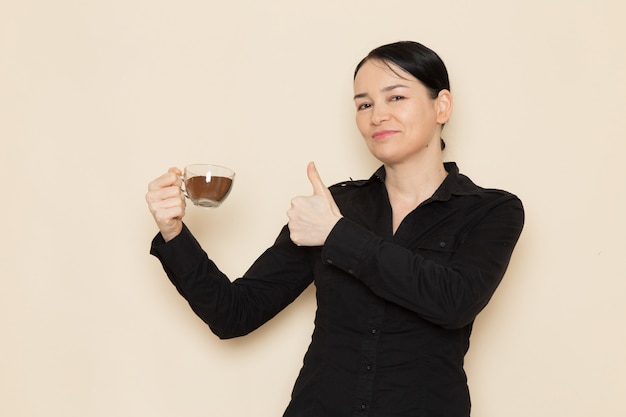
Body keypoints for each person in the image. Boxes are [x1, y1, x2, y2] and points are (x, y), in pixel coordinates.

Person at [145, 41, 524, 417]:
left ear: (441, 105)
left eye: (395, 98)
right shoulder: (334, 207)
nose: (377, 116)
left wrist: (338, 235)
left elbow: (453, 302)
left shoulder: (491, 210)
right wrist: (173, 233)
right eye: (364, 104)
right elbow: (234, 314)